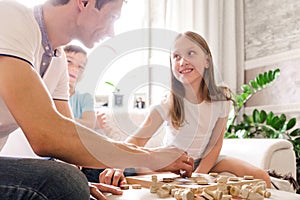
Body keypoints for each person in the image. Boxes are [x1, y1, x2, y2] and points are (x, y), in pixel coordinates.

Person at [0, 1, 194, 199]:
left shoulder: (57, 62)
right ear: (85, 3)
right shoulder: (12, 18)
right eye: (112, 17)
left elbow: (67, 140)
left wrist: (81, 183)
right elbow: (46, 137)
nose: (111, 32)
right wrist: (152, 157)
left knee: (72, 179)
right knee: (62, 180)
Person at [100, 31, 271, 188]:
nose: (182, 62)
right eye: (176, 56)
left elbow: (215, 144)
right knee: (143, 169)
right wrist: (118, 165)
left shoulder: (222, 99)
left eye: (191, 53)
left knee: (261, 176)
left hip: (207, 159)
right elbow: (137, 141)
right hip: (174, 162)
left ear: (206, 61)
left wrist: (199, 175)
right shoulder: (167, 103)